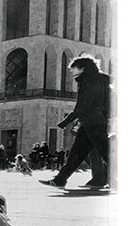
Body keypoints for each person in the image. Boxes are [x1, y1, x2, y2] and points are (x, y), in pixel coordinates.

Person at [42, 54, 113, 189]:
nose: (71, 71)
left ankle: (60, 180)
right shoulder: (101, 79)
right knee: (77, 154)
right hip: (93, 122)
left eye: (73, 68)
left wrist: (66, 121)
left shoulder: (87, 81)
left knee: (106, 153)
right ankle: (60, 180)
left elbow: (82, 105)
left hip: (93, 123)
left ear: (82, 68)